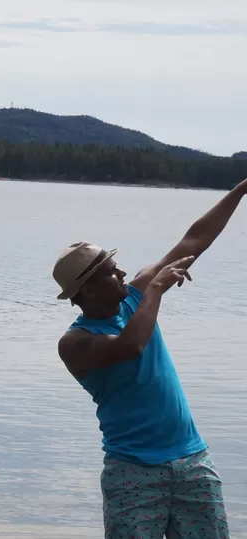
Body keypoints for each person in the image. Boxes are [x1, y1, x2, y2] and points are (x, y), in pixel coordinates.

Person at [53, 178, 247, 538]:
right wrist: (155, 290)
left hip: (193, 462)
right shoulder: (75, 342)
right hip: (133, 474)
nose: (123, 272)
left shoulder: (133, 296)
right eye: (112, 271)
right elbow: (130, 346)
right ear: (89, 290)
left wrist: (241, 189)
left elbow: (194, 241)